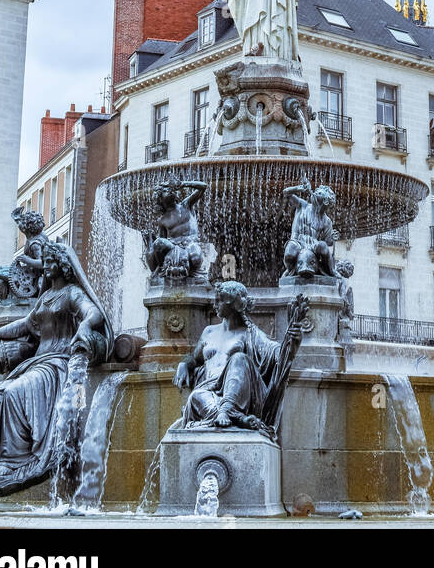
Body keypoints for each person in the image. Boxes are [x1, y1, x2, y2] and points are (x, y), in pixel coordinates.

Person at [0, 243, 113, 495]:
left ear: (62, 265)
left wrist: (84, 327)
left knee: (13, 393)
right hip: (36, 363)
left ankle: (11, 461)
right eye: (45, 261)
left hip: (57, 364)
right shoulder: (45, 299)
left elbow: (94, 313)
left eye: (50, 261)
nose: (46, 266)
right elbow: (23, 326)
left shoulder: (71, 293)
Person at [174, 281, 305, 438]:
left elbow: (278, 354)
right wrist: (184, 363)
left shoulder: (249, 334)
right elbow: (195, 359)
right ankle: (239, 418)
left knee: (239, 358)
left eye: (220, 300)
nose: (214, 304)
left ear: (234, 304)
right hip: (211, 390)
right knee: (196, 396)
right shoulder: (208, 332)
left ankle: (227, 410)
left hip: (239, 396)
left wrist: (292, 340)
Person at [144, 180, 207, 280]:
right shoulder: (162, 220)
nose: (169, 191)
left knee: (195, 258)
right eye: (165, 191)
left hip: (190, 244)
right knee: (158, 243)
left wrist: (184, 184)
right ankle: (161, 269)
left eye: (170, 189)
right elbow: (161, 241)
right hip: (173, 246)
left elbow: (203, 186)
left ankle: (195, 274)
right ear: (160, 198)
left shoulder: (185, 204)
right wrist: (150, 238)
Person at [282, 179, 336, 278]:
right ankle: (289, 271)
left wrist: (333, 238)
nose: (314, 193)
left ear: (325, 200)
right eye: (315, 191)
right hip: (297, 242)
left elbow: (328, 242)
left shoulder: (327, 221)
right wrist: (298, 188)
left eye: (319, 193)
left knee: (323, 245)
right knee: (289, 251)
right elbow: (286, 193)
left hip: (313, 246)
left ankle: (331, 271)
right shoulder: (303, 205)